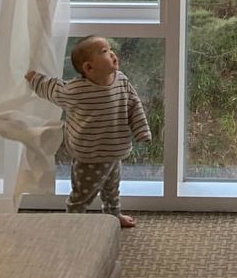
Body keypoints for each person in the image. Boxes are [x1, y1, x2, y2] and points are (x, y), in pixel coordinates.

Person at [25, 35, 152, 228]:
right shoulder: (76, 90)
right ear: (89, 68)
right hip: (89, 155)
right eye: (104, 52)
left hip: (114, 150)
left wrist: (142, 132)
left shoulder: (122, 80)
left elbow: (134, 105)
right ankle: (74, 221)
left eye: (110, 49)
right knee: (83, 193)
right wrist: (35, 79)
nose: (112, 53)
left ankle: (113, 214)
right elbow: (53, 89)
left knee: (112, 189)